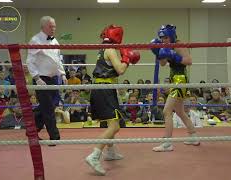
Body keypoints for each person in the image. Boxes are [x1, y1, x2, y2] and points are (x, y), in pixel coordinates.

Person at [85, 25, 140, 175]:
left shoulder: (102, 49)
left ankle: (110, 151)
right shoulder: (110, 50)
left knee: (111, 122)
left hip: (100, 89)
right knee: (115, 126)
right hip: (104, 90)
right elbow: (120, 70)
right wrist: (127, 58)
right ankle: (95, 155)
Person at [150, 24, 200, 152]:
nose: (163, 40)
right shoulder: (166, 46)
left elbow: (189, 61)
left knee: (167, 111)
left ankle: (167, 143)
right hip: (174, 80)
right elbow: (162, 64)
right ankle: (193, 136)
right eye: (161, 38)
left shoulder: (178, 45)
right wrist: (158, 52)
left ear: (171, 36)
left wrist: (174, 55)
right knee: (179, 111)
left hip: (180, 80)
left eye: (166, 37)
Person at [26, 16, 68, 142]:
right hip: (41, 78)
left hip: (53, 78)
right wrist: (36, 77)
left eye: (54, 26)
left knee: (49, 106)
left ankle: (31, 132)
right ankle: (54, 137)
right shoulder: (35, 40)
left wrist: (63, 74)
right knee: (48, 108)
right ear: (43, 26)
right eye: (51, 26)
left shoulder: (55, 41)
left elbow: (58, 60)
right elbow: (30, 61)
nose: (54, 28)